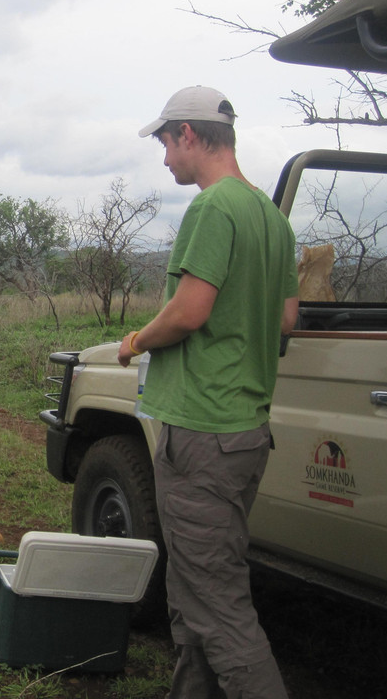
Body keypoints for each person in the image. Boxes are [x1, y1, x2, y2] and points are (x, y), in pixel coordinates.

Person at [118, 86, 299, 699]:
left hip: (203, 434)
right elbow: (286, 320)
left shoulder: (213, 208)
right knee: (193, 591)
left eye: (166, 144)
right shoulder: (272, 217)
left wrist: (139, 339)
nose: (165, 158)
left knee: (219, 608)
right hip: (245, 433)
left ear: (189, 135)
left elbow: (190, 311)